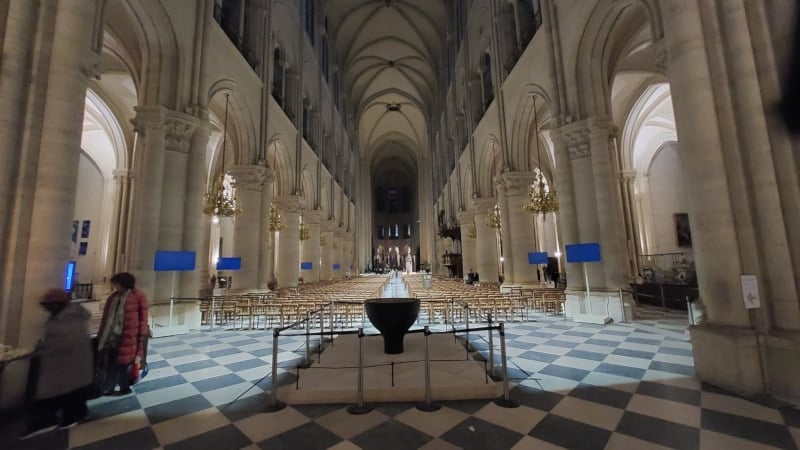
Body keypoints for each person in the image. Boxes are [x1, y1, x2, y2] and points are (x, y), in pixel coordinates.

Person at [21, 289, 92, 439]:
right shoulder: (66, 316)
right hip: (66, 365)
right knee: (68, 391)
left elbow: (66, 342)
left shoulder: (69, 318)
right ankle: (67, 416)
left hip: (67, 364)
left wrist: (42, 352)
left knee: (64, 391)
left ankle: (57, 419)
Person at [96, 272, 149, 396]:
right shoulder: (113, 297)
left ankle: (124, 386)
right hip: (112, 336)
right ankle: (108, 385)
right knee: (111, 361)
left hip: (130, 334)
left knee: (125, 363)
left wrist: (141, 333)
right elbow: (106, 317)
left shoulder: (139, 296)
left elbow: (143, 316)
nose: (115, 286)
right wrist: (102, 334)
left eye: (116, 284)